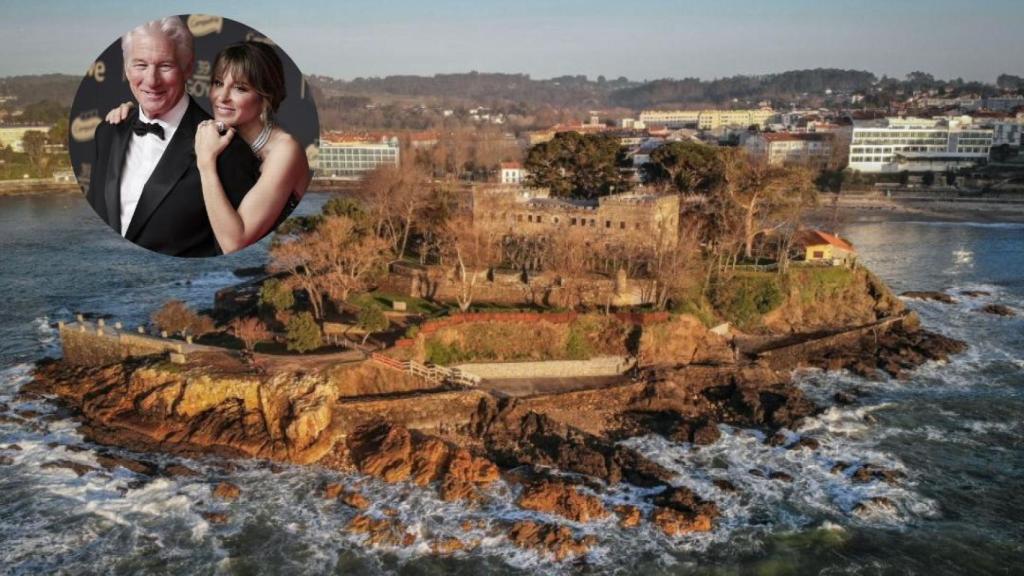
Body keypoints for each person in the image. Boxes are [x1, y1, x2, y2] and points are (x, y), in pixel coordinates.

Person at [107, 41, 309, 255]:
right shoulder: (216, 134)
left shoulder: (285, 151)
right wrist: (135, 113)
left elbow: (234, 243)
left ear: (265, 97)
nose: (222, 97)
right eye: (218, 83)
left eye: (240, 88)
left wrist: (206, 163)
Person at [87, 17, 259, 257]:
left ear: (188, 68)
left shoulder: (228, 149)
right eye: (140, 65)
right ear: (126, 68)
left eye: (165, 66)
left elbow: (241, 252)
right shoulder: (107, 133)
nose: (151, 80)